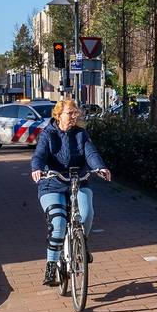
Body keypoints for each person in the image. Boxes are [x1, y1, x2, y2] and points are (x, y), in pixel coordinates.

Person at [31, 99, 112, 286]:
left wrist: (100, 167)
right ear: (58, 115)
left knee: (87, 214)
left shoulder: (81, 134)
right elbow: (40, 154)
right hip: (51, 183)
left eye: (76, 113)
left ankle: (81, 245)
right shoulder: (47, 134)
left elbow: (91, 153)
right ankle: (51, 266)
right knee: (58, 223)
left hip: (79, 180)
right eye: (70, 113)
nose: (74, 116)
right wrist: (37, 168)